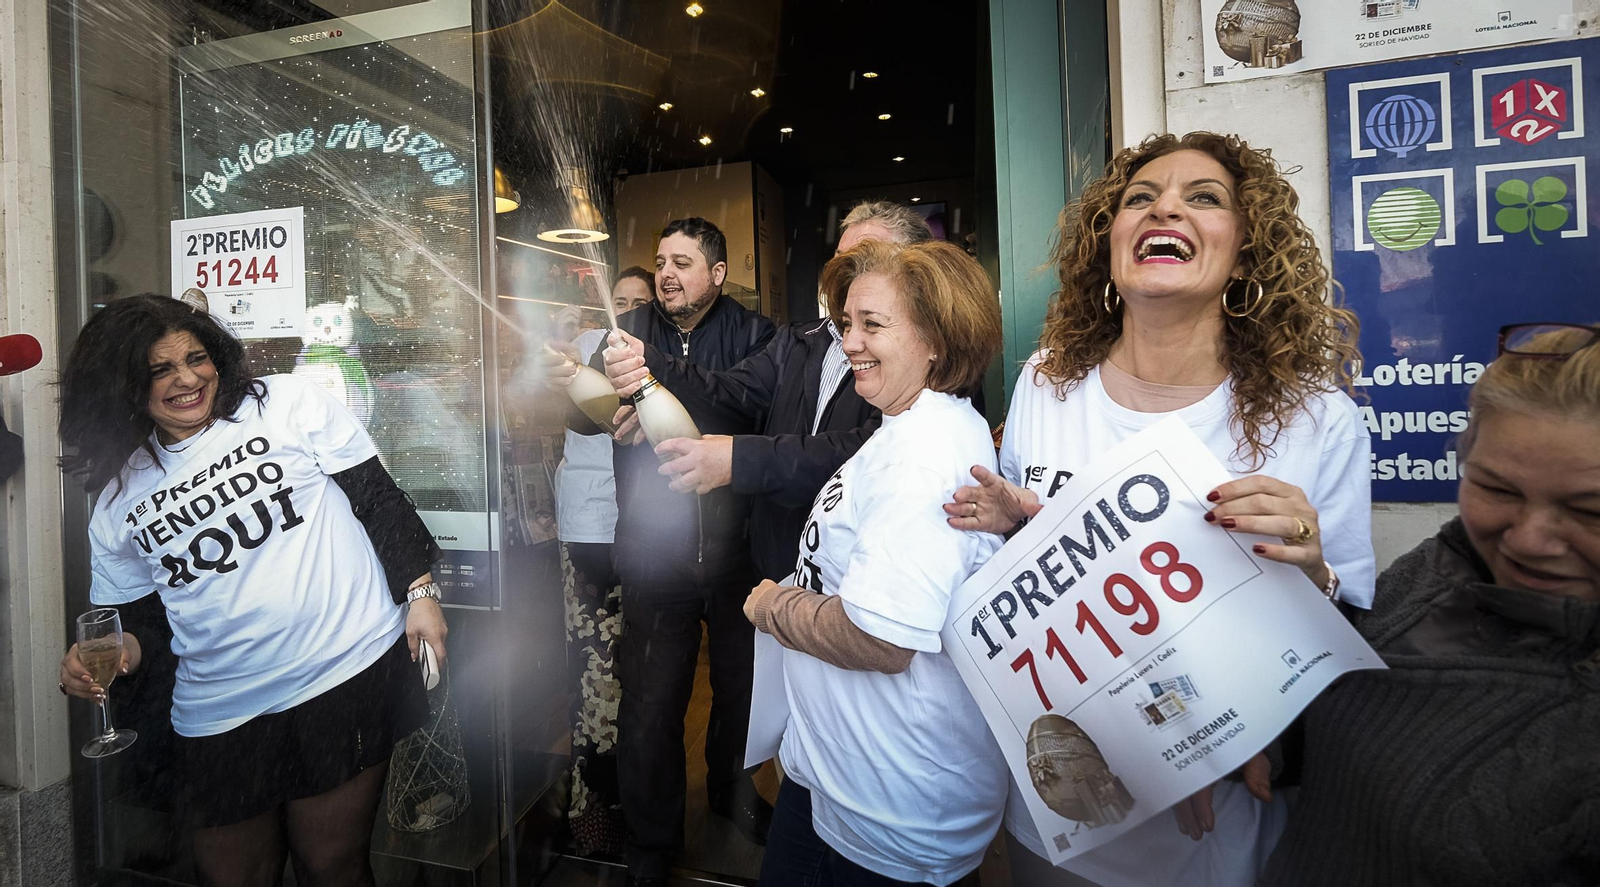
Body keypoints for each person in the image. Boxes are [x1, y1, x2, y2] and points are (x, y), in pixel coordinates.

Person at [945, 131, 1374, 886]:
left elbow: (1346, 643)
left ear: (1245, 252)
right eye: (1140, 198)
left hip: (1217, 842)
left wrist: (1313, 569)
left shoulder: (1317, 419)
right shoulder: (1049, 381)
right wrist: (1017, 521)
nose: (1164, 207)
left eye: (1202, 198)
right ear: (1108, 244)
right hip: (1057, 823)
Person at [55, 294, 447, 887]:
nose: (188, 378)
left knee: (332, 866)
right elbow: (140, 623)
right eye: (160, 370)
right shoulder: (116, 498)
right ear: (123, 386)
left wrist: (420, 593)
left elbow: (378, 500)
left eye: (196, 357)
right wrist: (109, 658)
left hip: (340, 673)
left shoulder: (286, 402)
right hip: (216, 712)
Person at [1257, 322, 1600, 885]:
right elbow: (1346, 696)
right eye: (1497, 489)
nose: (1529, 540)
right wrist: (1256, 739)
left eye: (1590, 510)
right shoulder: (1444, 563)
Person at [747, 239, 1008, 886]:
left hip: (883, 823)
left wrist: (772, 606)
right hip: (844, 787)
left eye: (873, 325)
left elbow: (881, 636)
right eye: (845, 325)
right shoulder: (917, 426)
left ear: (935, 341)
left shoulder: (918, 451)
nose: (850, 343)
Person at [560, 218, 775, 885]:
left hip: (737, 554)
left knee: (738, 699)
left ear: (718, 271)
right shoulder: (624, 332)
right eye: (660, 261)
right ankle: (651, 843)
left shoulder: (757, 335)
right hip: (654, 555)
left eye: (684, 261)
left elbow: (753, 409)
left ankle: (729, 795)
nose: (667, 273)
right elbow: (581, 418)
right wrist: (590, 393)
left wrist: (655, 385)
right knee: (651, 708)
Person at [602, 201, 933, 581]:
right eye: (842, 260)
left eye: (866, 260)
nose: (849, 276)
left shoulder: (921, 357)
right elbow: (733, 395)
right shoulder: (797, 339)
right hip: (777, 571)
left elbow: (867, 452)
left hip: (859, 575)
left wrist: (737, 460)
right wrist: (654, 365)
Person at [555, 265, 655, 855]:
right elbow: (587, 415)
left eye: (639, 303)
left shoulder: (654, 355)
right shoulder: (587, 353)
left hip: (643, 534)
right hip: (591, 533)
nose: (629, 311)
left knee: (640, 679)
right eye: (620, 301)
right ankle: (592, 809)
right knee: (595, 676)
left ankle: (632, 805)